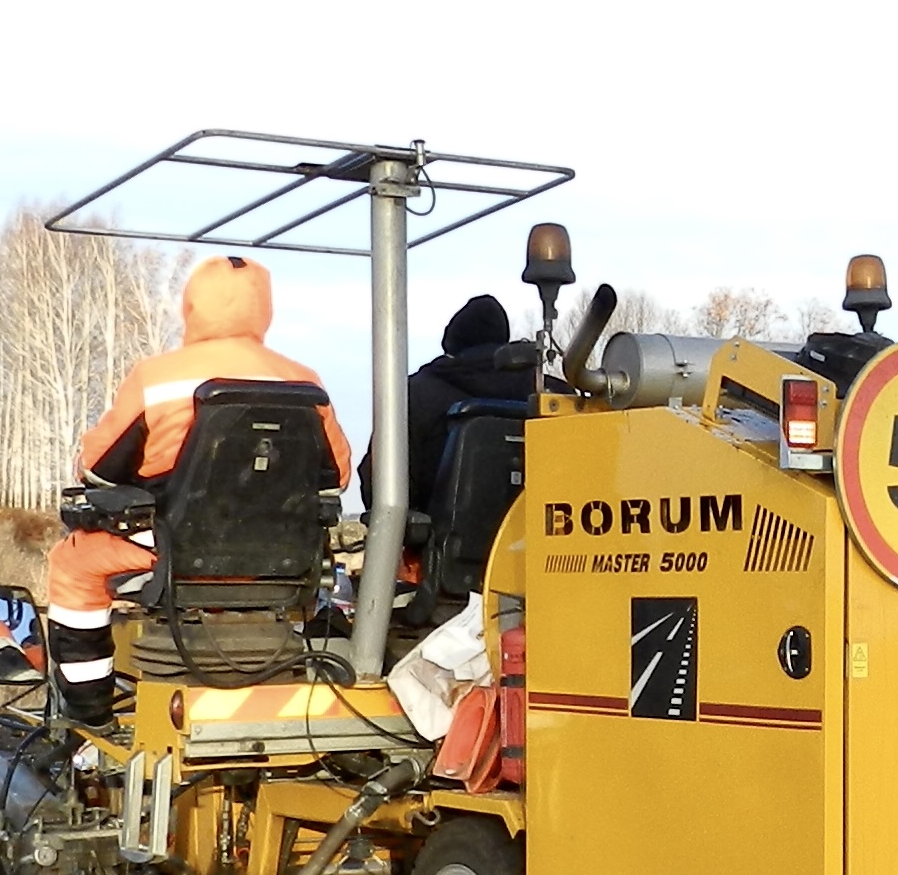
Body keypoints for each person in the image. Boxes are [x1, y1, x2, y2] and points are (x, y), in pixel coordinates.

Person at [45, 255, 351, 729]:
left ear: (191, 306)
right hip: (282, 557)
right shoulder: (306, 382)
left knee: (72, 563)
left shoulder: (157, 378)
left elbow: (99, 470)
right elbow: (335, 476)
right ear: (263, 308)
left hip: (174, 550)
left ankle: (89, 713)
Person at [390, 293, 538, 515]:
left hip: (443, 544)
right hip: (550, 541)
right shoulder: (550, 393)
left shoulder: (413, 394)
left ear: (451, 348)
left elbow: (381, 483)